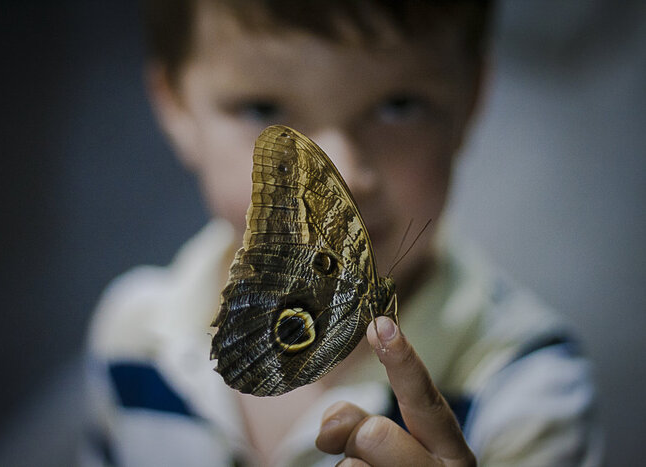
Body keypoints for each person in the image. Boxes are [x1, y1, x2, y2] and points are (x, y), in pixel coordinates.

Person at [84, 1, 601, 465]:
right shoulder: (133, 337)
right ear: (175, 107)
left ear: (470, 100)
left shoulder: (531, 391)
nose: (346, 173)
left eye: (397, 105)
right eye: (264, 109)